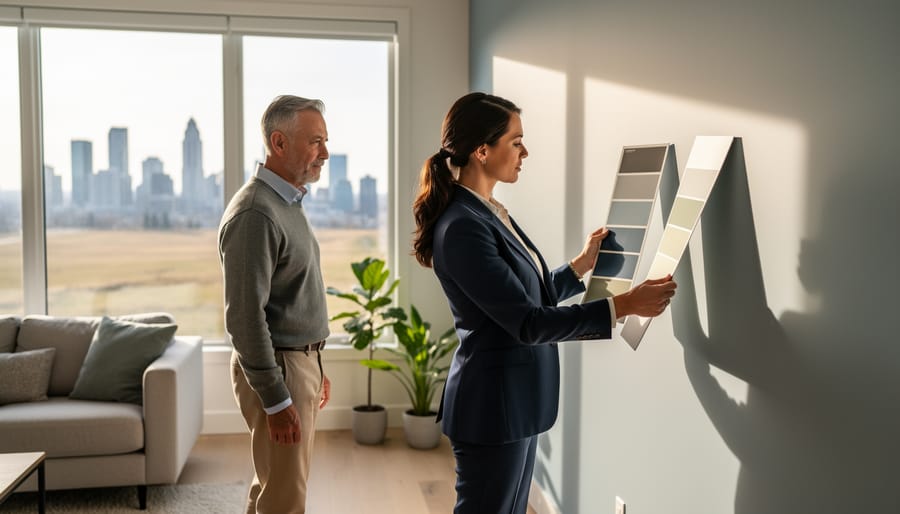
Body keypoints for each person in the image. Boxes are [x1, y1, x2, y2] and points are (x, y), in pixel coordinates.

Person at [412, 92, 677, 513]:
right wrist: (623, 306)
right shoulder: (462, 226)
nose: (525, 152)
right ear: (483, 150)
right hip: (492, 407)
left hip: (513, 402)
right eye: (516, 142)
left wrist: (578, 267)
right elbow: (529, 323)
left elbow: (521, 297)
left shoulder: (487, 212)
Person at [218, 95, 332, 514]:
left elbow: (293, 295)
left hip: (297, 364)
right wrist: (278, 399)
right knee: (285, 499)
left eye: (325, 140)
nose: (325, 152)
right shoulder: (256, 213)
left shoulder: (286, 203)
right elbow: (245, 320)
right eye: (315, 141)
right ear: (279, 143)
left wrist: (314, 365)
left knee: (273, 485)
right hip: (281, 367)